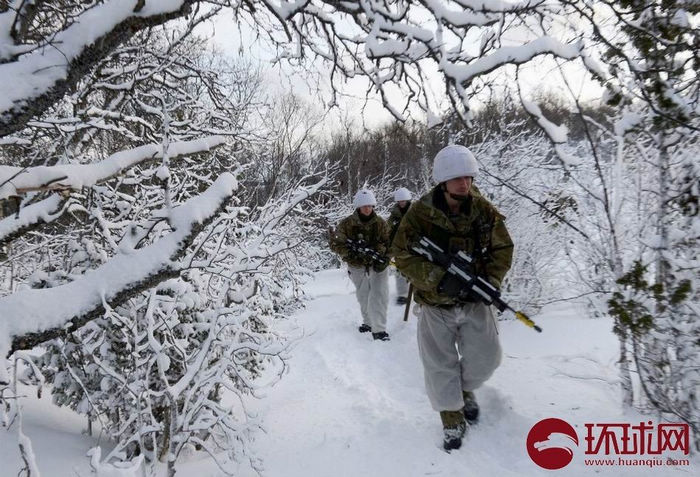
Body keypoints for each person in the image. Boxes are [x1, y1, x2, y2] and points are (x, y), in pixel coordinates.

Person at [391, 145, 513, 451]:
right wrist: (438, 280)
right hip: (435, 304)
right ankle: (452, 418)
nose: (464, 183)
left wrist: (490, 281)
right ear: (443, 181)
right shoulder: (420, 214)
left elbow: (502, 249)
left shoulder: (484, 211)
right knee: (439, 366)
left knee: (488, 358)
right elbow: (402, 254)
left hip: (474, 300)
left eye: (468, 177)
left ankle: (464, 389)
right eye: (457, 178)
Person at [329, 188, 391, 341]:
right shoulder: (347, 224)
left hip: (378, 263)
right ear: (358, 207)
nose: (368, 208)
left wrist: (381, 254)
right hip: (356, 264)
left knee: (379, 294)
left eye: (370, 206)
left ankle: (379, 330)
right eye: (364, 206)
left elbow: (390, 242)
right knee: (364, 294)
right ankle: (368, 322)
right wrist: (350, 253)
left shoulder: (381, 223)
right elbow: (335, 243)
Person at [387, 187, 413, 305]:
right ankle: (402, 294)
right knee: (399, 271)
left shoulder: (415, 213)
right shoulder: (394, 216)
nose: (402, 203)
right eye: (400, 201)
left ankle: (419, 293)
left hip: (414, 246)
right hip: (398, 247)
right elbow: (388, 231)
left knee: (415, 270)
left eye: (404, 201)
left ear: (407, 201)